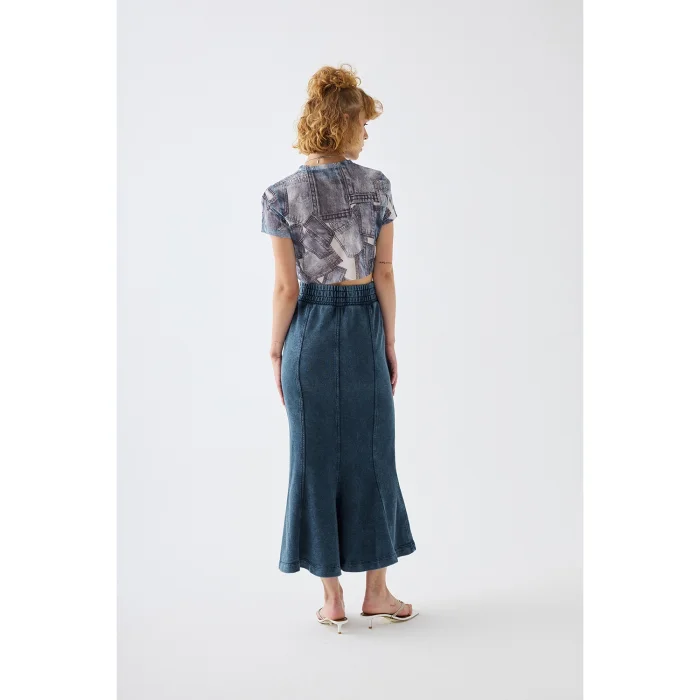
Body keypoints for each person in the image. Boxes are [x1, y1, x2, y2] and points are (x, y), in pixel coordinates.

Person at [261, 64, 418, 632]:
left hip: (307, 331)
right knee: (374, 457)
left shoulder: (279, 193)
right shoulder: (377, 185)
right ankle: (377, 592)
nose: (368, 134)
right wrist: (389, 340)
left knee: (313, 461)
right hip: (362, 325)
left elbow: (286, 287)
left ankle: (332, 599)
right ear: (345, 123)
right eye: (363, 123)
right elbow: (385, 271)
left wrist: (276, 350)